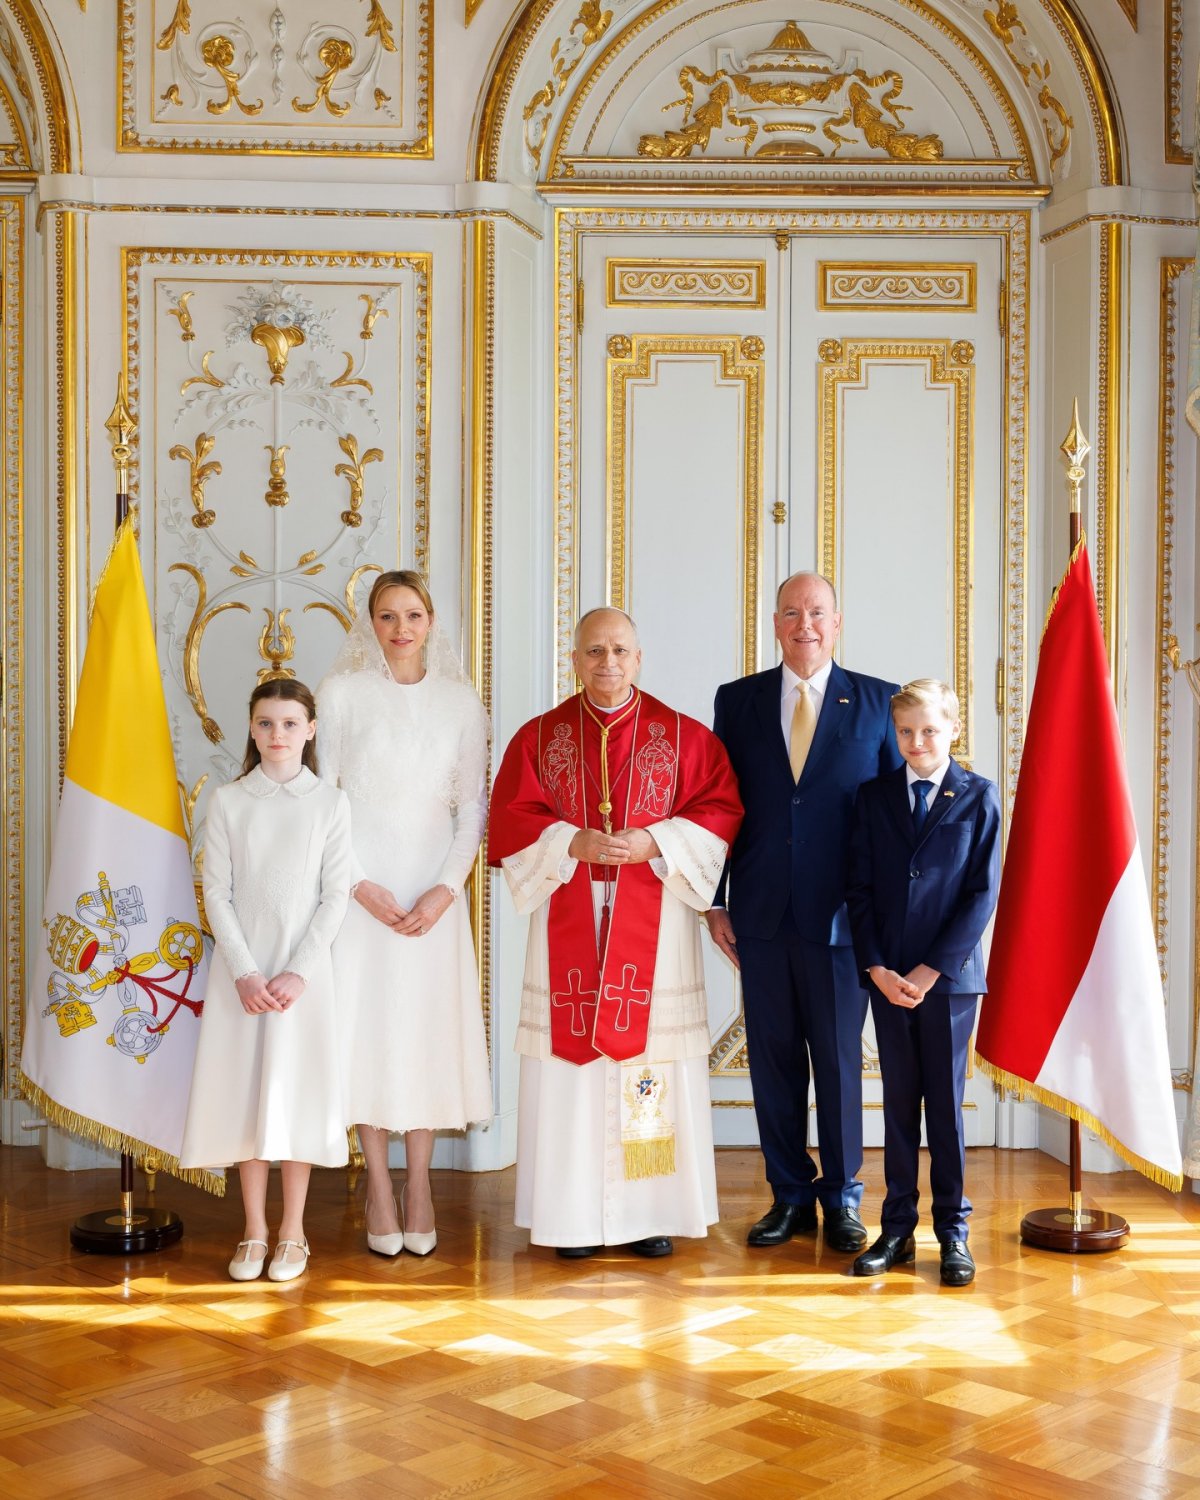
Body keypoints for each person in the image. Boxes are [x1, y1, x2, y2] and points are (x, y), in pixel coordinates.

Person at [488, 608, 743, 1258]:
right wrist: (569, 839)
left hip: (653, 929)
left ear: (639, 657)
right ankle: (570, 1216)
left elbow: (719, 809)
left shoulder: (684, 737)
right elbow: (513, 817)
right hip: (568, 914)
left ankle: (648, 1210)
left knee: (645, 1071)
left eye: (620, 650)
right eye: (594, 651)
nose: (608, 663)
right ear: (573, 659)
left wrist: (653, 841)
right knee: (572, 1074)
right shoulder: (539, 738)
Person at [708, 572, 901, 1252]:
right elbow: (720, 805)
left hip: (845, 921)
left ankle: (844, 1198)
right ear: (774, 622)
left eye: (816, 612)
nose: (804, 625)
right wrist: (715, 896)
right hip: (759, 914)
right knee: (774, 1060)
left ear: (838, 621)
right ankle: (788, 1193)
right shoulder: (738, 701)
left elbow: (890, 822)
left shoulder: (879, 703)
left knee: (840, 1063)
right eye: (791, 613)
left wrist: (887, 919)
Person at [317, 570, 492, 1258]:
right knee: (368, 1029)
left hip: (431, 896)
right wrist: (358, 886)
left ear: (431, 621)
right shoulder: (340, 696)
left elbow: (471, 809)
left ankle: (420, 1184)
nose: (400, 628)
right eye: (386, 616)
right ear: (370, 623)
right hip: (361, 896)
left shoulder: (460, 703)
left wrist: (446, 890)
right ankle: (380, 1187)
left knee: (423, 1032)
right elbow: (325, 802)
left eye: (412, 614)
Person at [180, 680, 353, 1283]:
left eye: (289, 723)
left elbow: (336, 896)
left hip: (302, 978)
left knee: (296, 1094)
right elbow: (216, 893)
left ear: (310, 730)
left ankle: (293, 1231)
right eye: (265, 724)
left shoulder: (330, 803)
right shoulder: (229, 801)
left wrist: (298, 972)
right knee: (247, 1095)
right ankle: (253, 1229)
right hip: (242, 976)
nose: (277, 735)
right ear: (251, 730)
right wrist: (245, 971)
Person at [845, 679, 1001, 1286]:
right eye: (905, 732)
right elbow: (857, 889)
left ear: (953, 730)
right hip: (888, 980)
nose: (916, 742)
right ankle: (897, 1229)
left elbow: (980, 895)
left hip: (949, 982)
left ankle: (953, 1231)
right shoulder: (873, 797)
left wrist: (931, 970)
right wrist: (878, 968)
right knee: (899, 1107)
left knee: (945, 1108)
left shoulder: (979, 797)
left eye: (928, 731)